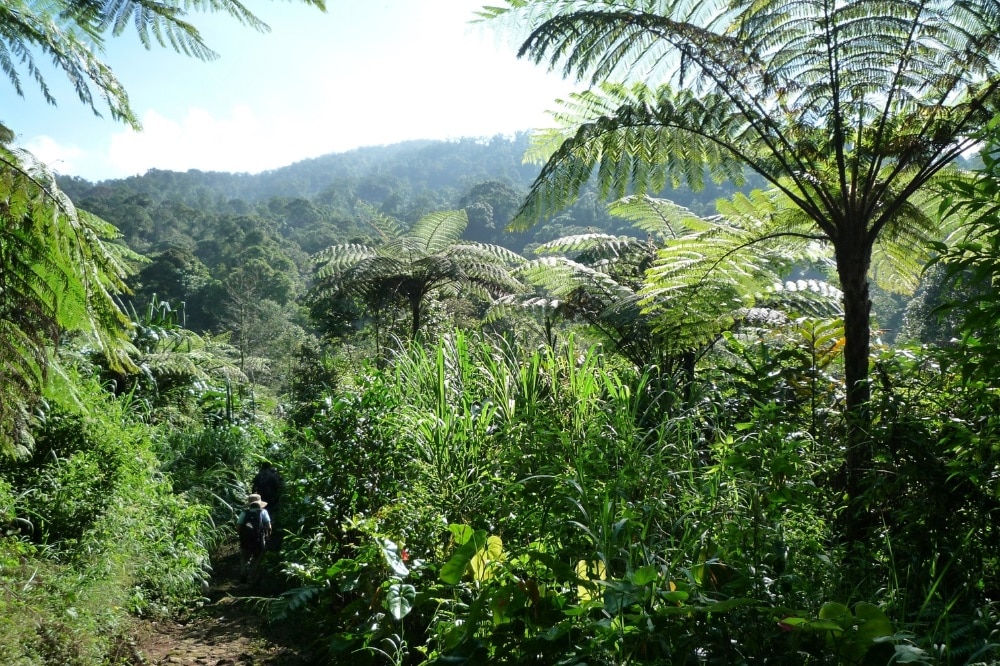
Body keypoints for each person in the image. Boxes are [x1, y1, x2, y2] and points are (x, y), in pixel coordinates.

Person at [237, 493, 272, 582]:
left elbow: (239, 526)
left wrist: (241, 536)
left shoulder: (244, 512)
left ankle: (243, 575)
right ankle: (254, 577)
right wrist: (268, 536)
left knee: (244, 558)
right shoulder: (263, 512)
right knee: (258, 558)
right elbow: (269, 526)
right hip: (259, 540)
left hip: (245, 540)